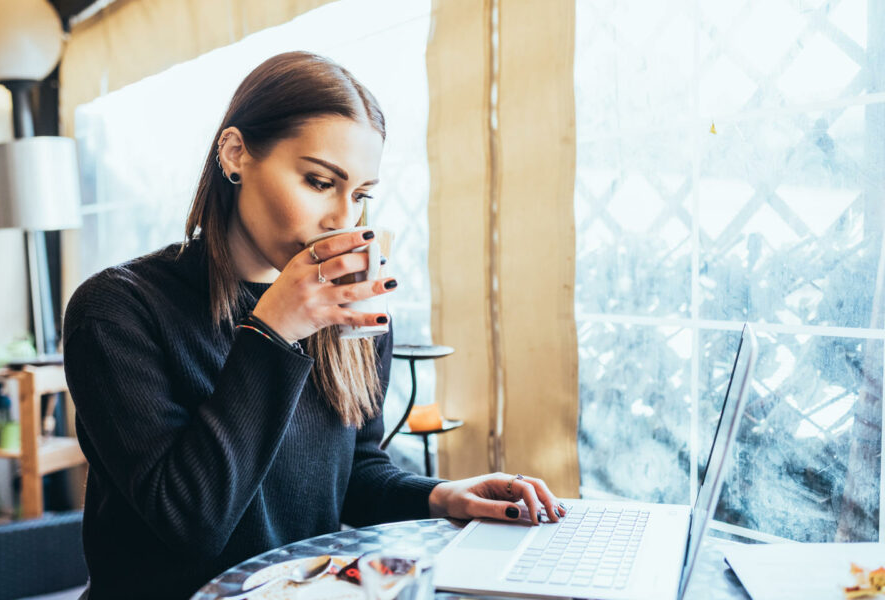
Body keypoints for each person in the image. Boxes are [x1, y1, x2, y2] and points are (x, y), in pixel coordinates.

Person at [63, 50, 565, 600]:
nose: (342, 220)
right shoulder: (116, 311)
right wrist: (273, 332)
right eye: (320, 181)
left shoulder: (346, 312)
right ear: (235, 154)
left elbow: (353, 475)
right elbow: (192, 521)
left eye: (361, 196)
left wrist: (443, 495)